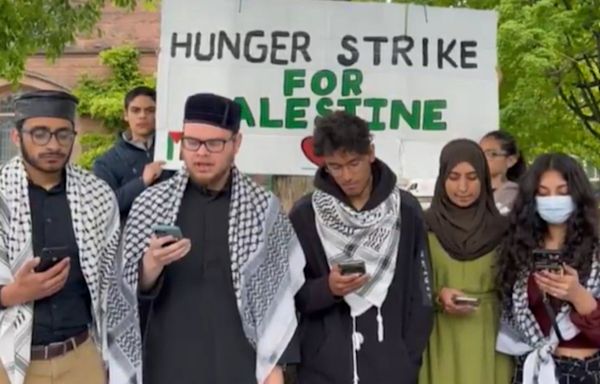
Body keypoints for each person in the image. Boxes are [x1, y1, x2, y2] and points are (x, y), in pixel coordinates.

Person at [110, 93, 305, 384]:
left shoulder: (263, 209)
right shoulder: (150, 203)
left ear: (236, 144)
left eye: (214, 143)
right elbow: (122, 293)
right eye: (192, 142)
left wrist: (276, 367)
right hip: (167, 362)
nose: (201, 153)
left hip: (239, 362)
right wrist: (150, 265)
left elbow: (280, 293)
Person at [290, 111, 433, 384]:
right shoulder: (306, 214)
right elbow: (292, 296)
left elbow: (422, 294)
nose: (346, 175)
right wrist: (328, 289)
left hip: (392, 367)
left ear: (371, 153)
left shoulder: (406, 209)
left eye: (353, 163)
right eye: (335, 166)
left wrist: (407, 358)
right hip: (323, 370)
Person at [0, 90, 124, 384]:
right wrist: (11, 295)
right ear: (17, 137)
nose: (53, 145)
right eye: (40, 134)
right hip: (6, 356)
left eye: (62, 134)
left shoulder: (98, 196)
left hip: (80, 357)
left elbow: (114, 280)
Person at [496, 153, 600, 384]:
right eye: (543, 193)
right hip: (531, 370)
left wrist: (578, 297)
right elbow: (507, 318)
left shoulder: (596, 253)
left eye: (562, 192)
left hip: (584, 372)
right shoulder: (518, 250)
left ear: (577, 195)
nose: (553, 200)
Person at [418, 139, 513, 384]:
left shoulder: (504, 230)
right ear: (442, 178)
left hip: (489, 337)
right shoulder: (423, 226)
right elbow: (408, 286)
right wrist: (438, 296)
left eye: (472, 177)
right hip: (440, 336)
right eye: (454, 177)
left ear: (483, 178)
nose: (463, 187)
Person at [93, 86, 174, 220]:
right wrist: (142, 182)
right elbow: (105, 208)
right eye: (136, 110)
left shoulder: (172, 150)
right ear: (126, 115)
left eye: (150, 110)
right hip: (130, 237)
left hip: (174, 234)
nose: (142, 116)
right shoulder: (106, 162)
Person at [480, 130, 526, 214]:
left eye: (492, 154)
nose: (483, 158)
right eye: (479, 153)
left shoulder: (514, 195)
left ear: (510, 160)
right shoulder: (472, 192)